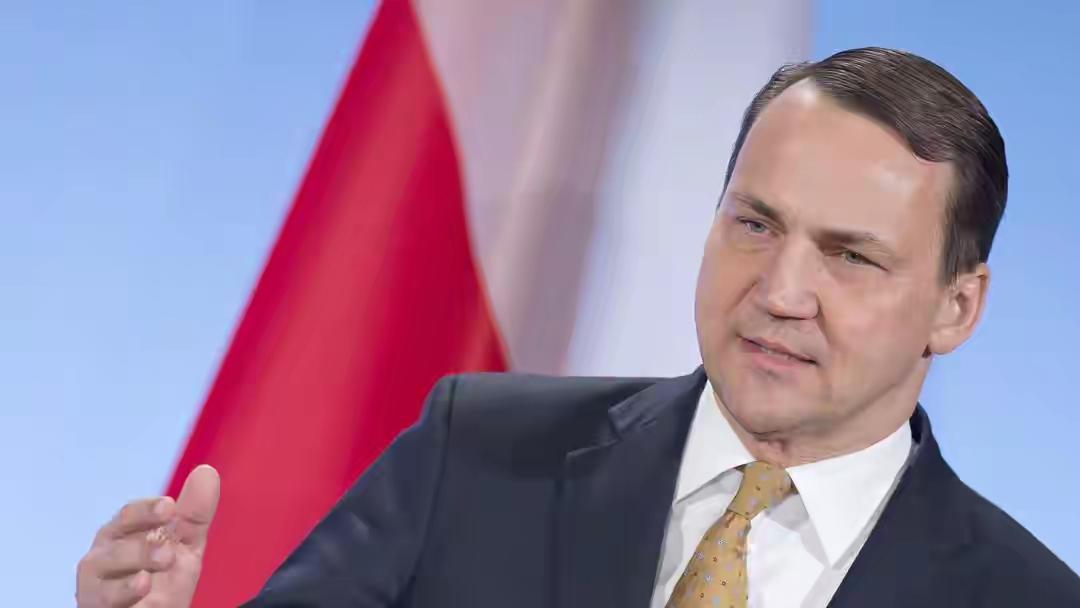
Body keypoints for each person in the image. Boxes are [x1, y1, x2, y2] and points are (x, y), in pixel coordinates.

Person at [76, 47, 1080, 608]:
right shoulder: (476, 449)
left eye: (849, 256)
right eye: (755, 224)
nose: (781, 289)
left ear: (956, 306)